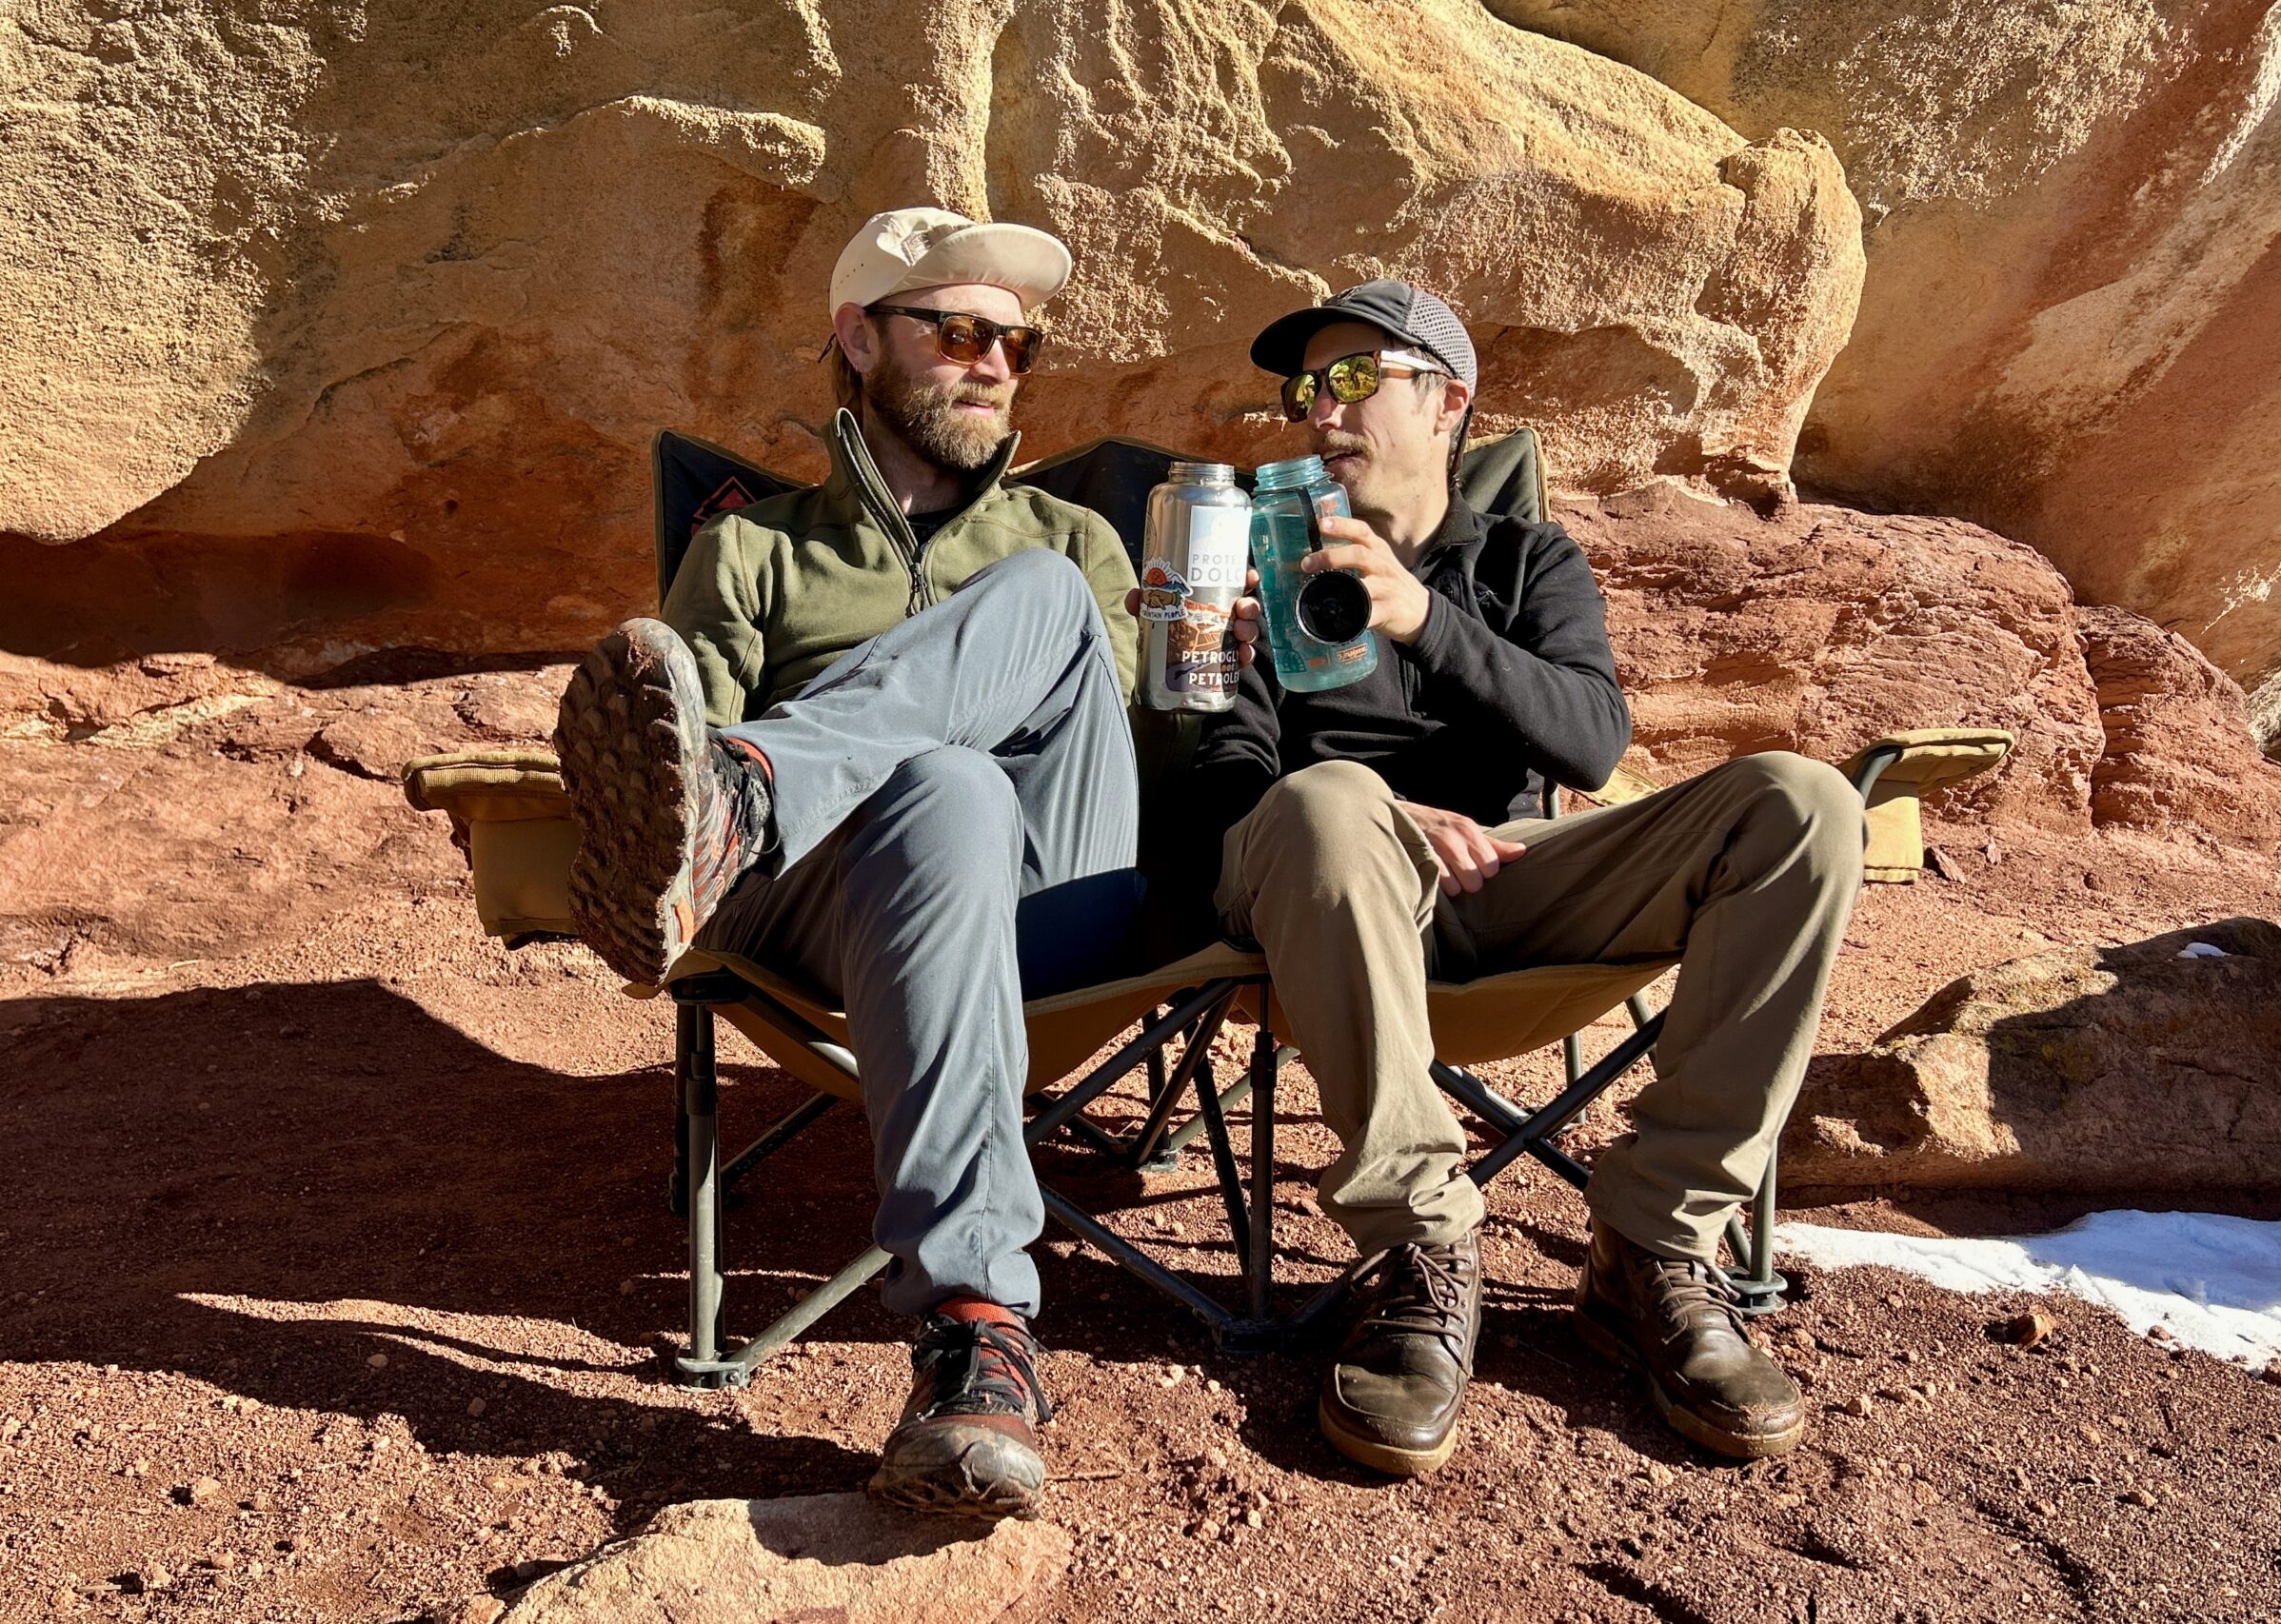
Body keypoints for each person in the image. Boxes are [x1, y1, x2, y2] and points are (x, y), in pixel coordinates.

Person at [1194, 280, 1863, 1472]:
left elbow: (1591, 741)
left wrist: (1420, 621)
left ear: (1448, 401)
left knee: (1800, 800)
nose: (1320, 411)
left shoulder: (1523, 555)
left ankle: (1653, 1246)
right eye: (1307, 388)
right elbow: (1226, 775)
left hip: (1512, 880)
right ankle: (1418, 1246)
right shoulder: (1256, 560)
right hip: (1322, 888)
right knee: (1327, 797)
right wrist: (1378, 806)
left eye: (1355, 379)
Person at [553, 208, 1142, 1520]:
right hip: (850, 908)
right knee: (944, 786)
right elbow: (664, 736)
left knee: (1038, 609)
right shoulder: (753, 546)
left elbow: (1137, 729)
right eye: (958, 330)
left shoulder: (1075, 540)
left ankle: (755, 798)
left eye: (1016, 342)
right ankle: (978, 1334)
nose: (995, 362)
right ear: (856, 336)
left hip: (1064, 890)